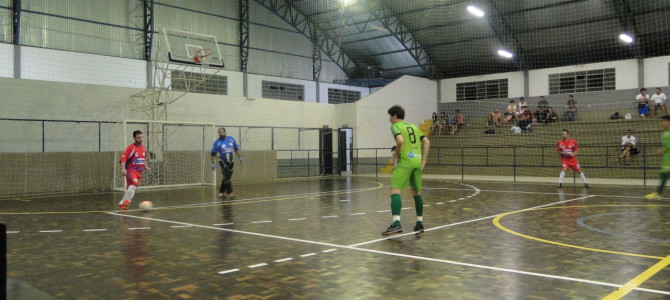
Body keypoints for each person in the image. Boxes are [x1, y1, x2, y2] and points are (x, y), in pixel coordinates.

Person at [383, 105, 430, 235]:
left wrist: (396, 157)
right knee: (416, 193)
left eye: (390, 116)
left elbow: (400, 141)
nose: (389, 119)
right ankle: (419, 224)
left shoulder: (396, 126)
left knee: (395, 190)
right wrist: (424, 160)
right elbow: (426, 142)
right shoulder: (413, 126)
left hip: (405, 161)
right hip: (416, 160)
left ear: (395, 116)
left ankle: (396, 223)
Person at [118, 130, 151, 210]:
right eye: (138, 137)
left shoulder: (143, 148)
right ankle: (125, 202)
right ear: (134, 138)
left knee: (133, 188)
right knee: (134, 183)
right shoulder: (131, 148)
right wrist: (123, 168)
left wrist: (146, 166)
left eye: (141, 137)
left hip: (139, 171)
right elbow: (123, 158)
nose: (140, 139)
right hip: (130, 170)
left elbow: (144, 158)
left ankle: (124, 202)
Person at [211, 127, 243, 199]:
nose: (220, 134)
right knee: (227, 176)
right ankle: (230, 192)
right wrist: (213, 163)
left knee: (227, 176)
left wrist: (239, 157)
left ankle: (221, 192)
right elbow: (213, 154)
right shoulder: (217, 143)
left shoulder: (231, 139)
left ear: (225, 132)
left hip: (231, 161)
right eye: (219, 132)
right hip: (223, 161)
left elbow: (236, 149)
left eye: (222, 132)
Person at [645, 115, 670, 199]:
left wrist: (658, 151)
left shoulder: (667, 134)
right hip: (667, 160)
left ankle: (657, 194)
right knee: (663, 175)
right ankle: (657, 193)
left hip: (668, 160)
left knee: (663, 175)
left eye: (663, 121)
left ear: (668, 122)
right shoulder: (666, 133)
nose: (662, 123)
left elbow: (666, 147)